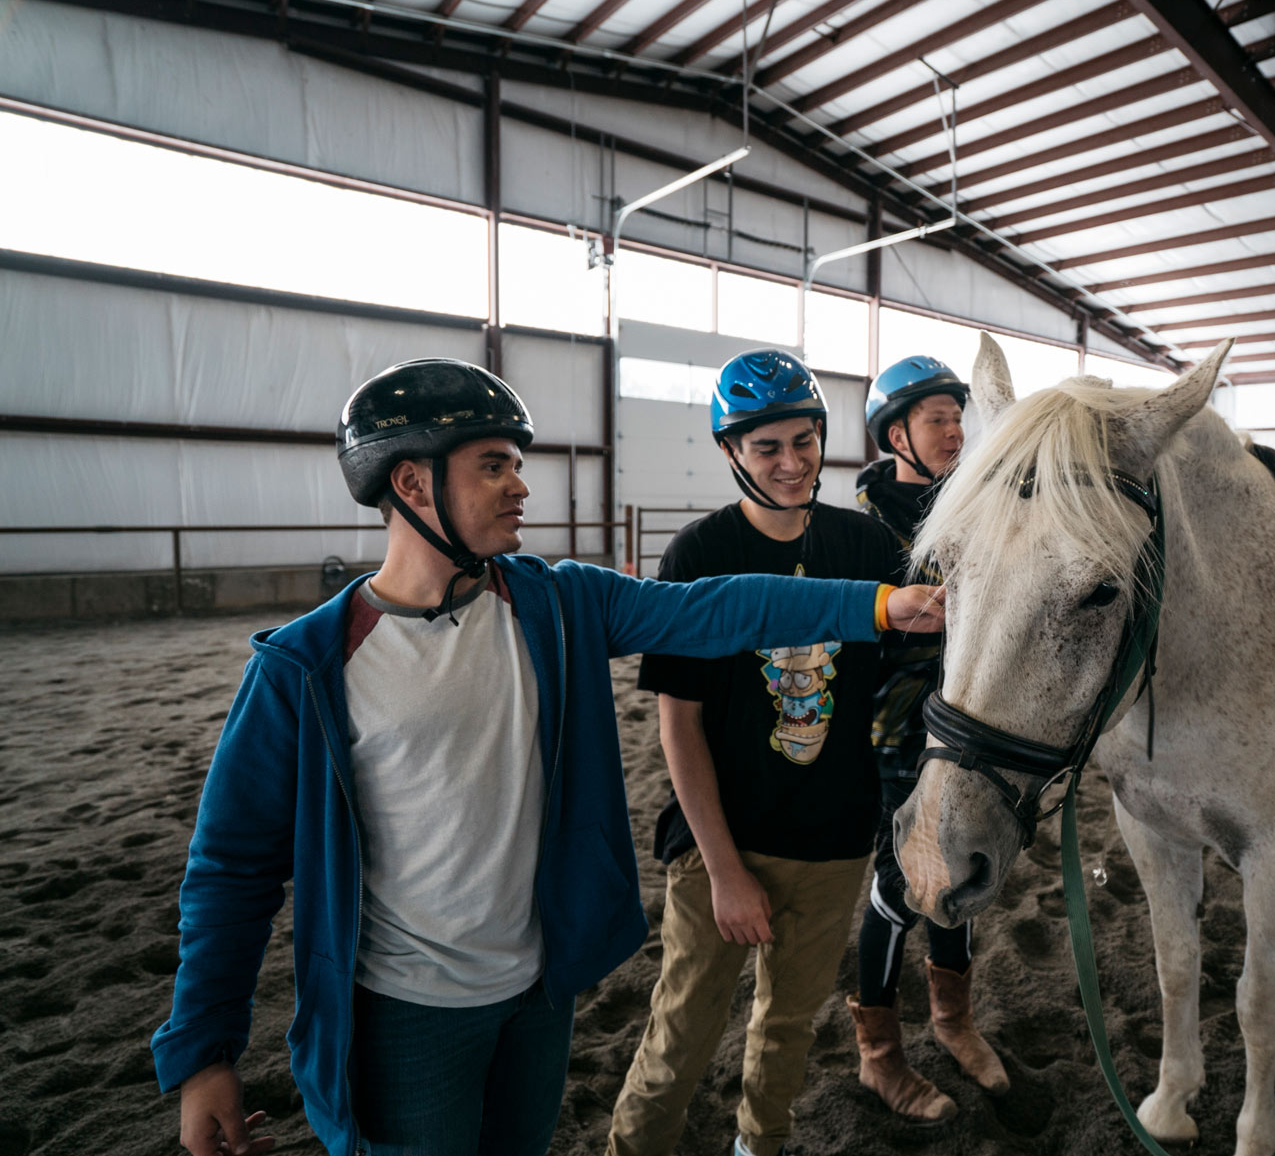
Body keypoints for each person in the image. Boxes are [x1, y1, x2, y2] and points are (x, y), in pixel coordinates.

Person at [150, 357, 943, 1156]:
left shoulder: (556, 605)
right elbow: (231, 870)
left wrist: (878, 603)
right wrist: (204, 1054)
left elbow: (716, 606)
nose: (520, 485)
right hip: (406, 1015)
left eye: (517, 464)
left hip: (539, 992)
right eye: (493, 465)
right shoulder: (304, 667)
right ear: (413, 484)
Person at [607, 350, 908, 1156]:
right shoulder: (699, 555)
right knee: (679, 1039)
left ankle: (758, 1146)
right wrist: (726, 871)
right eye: (767, 446)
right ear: (730, 451)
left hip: (836, 841)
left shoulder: (870, 549)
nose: (790, 462)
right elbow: (680, 726)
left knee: (787, 1032)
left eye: (804, 441)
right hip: (722, 846)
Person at [847, 356, 1007, 1123]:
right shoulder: (862, 525)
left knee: (964, 863)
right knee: (898, 882)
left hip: (972, 716)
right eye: (936, 418)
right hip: (894, 727)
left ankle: (953, 1020)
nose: (954, 430)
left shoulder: (980, 505)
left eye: (957, 415)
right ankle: (879, 1052)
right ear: (894, 434)